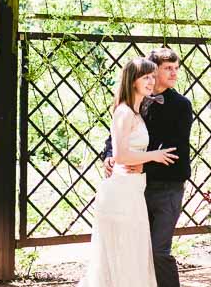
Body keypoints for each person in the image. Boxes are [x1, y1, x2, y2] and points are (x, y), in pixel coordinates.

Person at [80, 57, 178, 287]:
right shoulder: (123, 112)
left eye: (153, 76)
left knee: (133, 253)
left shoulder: (136, 112)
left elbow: (129, 153)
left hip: (134, 188)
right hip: (121, 190)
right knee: (121, 253)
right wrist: (154, 156)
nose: (151, 81)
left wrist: (143, 162)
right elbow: (121, 155)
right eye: (146, 77)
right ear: (132, 81)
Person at [102, 47, 194, 287]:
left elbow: (177, 152)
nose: (174, 73)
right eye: (167, 69)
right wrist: (110, 155)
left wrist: (144, 166)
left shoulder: (181, 105)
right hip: (135, 190)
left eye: (176, 68)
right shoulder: (138, 100)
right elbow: (116, 136)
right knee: (136, 251)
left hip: (168, 187)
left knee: (158, 252)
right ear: (152, 71)